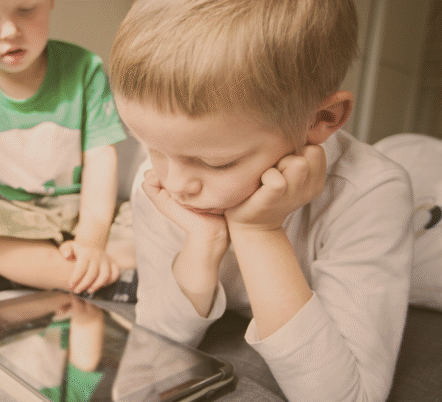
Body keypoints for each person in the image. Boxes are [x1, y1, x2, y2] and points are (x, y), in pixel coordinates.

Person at [108, 0, 413, 401]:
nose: (175, 183)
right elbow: (158, 336)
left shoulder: (372, 192)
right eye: (151, 147)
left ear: (322, 119)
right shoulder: (163, 176)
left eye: (216, 162)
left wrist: (259, 232)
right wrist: (203, 245)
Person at [0, 0, 134, 307]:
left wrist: (91, 240)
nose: (9, 31)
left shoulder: (85, 68)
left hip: (81, 211)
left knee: (153, 224)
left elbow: (100, 158)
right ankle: (100, 278)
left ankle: (31, 275)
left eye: (26, 9)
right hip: (6, 215)